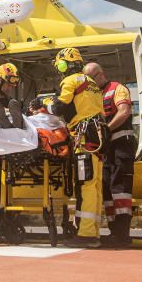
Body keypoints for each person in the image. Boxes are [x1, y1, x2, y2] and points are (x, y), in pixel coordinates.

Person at [52, 47, 106, 248]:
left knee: (85, 186)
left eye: (59, 65)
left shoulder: (71, 80)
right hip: (98, 139)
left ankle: (85, 235)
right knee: (95, 186)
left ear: (64, 64)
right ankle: (92, 231)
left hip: (84, 139)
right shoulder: (92, 82)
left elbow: (59, 107)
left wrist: (44, 102)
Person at [84, 62, 135, 248]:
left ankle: (123, 234)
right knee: (106, 189)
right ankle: (115, 232)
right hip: (106, 148)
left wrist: (106, 129)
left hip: (121, 144)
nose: (90, 82)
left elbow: (124, 111)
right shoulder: (93, 96)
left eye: (92, 78)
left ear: (101, 74)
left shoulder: (117, 89)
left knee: (120, 189)